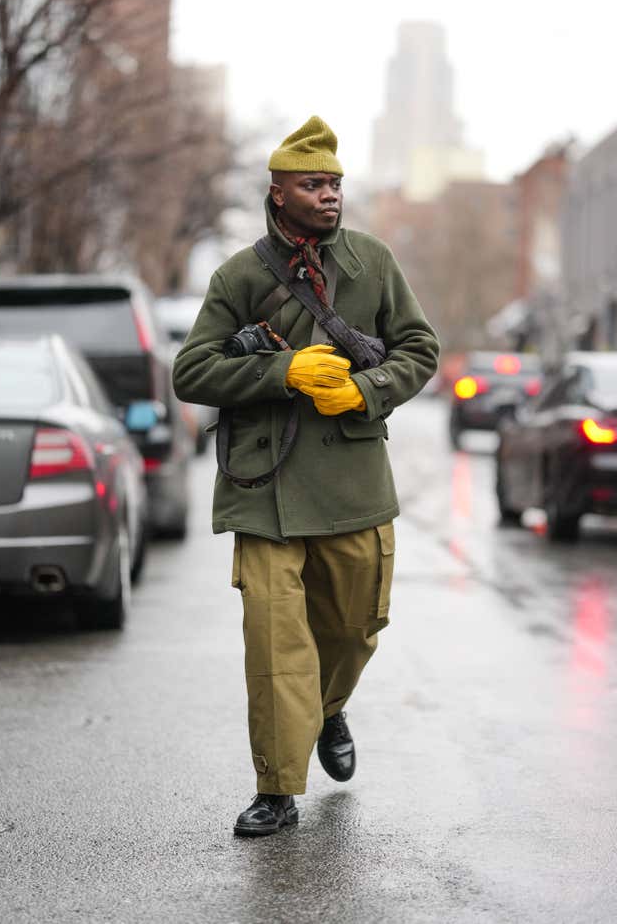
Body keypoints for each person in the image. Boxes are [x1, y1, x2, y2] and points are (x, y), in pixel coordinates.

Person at [173, 116, 439, 837]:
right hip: (265, 488)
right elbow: (190, 371)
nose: (328, 195)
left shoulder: (371, 263)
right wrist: (279, 369)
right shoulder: (239, 275)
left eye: (335, 184)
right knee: (273, 641)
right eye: (313, 184)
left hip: (353, 482)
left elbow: (419, 348)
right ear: (277, 191)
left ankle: (326, 708)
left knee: (354, 626)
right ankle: (277, 786)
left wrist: (368, 388)